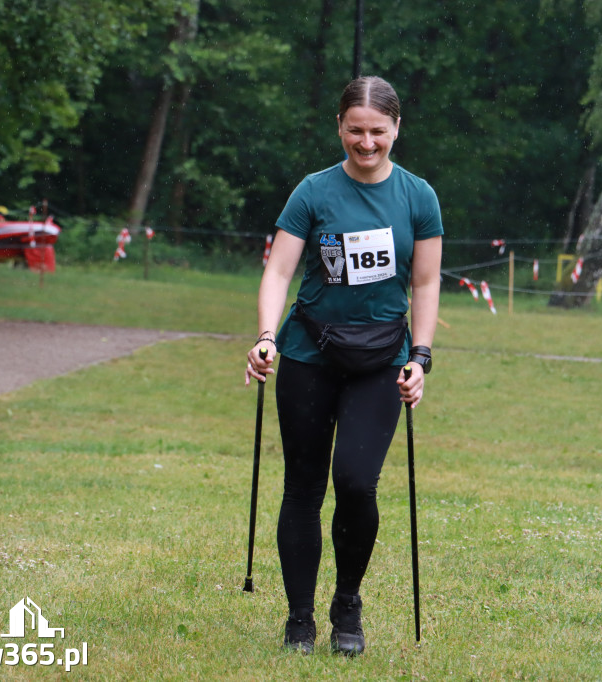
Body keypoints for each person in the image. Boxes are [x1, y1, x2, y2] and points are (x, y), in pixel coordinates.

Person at [244, 75, 443, 656]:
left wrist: (421, 356)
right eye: (355, 130)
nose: (366, 142)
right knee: (303, 487)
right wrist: (264, 337)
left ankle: (347, 604)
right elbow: (279, 271)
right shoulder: (313, 192)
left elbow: (426, 281)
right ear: (339, 127)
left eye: (377, 131)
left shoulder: (418, 197)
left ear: (397, 128)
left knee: (357, 482)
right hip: (308, 354)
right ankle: (300, 618)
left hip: (382, 359)